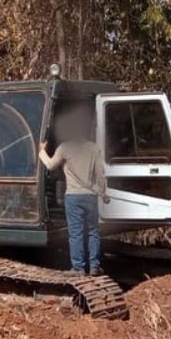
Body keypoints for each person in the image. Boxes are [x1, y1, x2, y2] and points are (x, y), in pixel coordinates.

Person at [38, 111, 109, 275]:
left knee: (76, 233)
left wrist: (41, 151)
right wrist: (103, 193)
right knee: (93, 232)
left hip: (73, 197)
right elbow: (100, 175)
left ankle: (78, 268)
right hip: (90, 197)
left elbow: (50, 166)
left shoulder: (65, 148)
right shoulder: (94, 148)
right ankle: (94, 266)